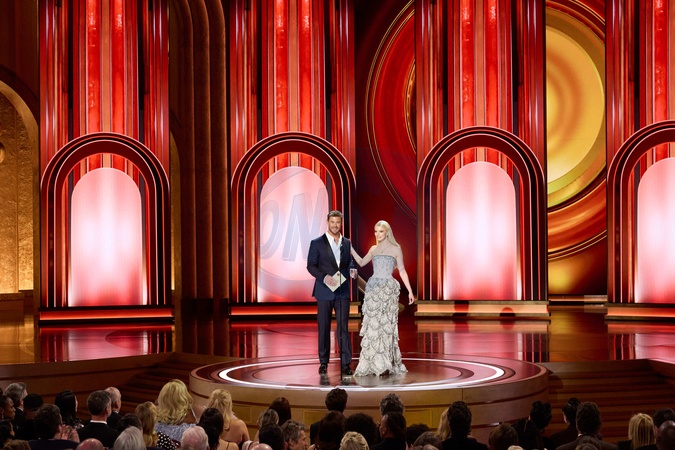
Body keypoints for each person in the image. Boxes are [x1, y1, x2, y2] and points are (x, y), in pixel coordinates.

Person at [350, 220, 415, 377]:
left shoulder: (396, 248)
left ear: (387, 232)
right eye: (375, 231)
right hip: (373, 289)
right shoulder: (374, 249)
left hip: (388, 290)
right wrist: (350, 248)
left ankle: (386, 362)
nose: (377, 234)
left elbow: (402, 271)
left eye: (380, 231)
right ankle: (372, 362)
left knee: (386, 326)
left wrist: (410, 291)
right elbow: (361, 262)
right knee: (373, 326)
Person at [307, 210, 355, 376]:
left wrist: (352, 269)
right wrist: (325, 277)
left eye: (338, 222)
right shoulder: (317, 243)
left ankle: (346, 363)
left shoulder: (346, 242)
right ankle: (323, 362)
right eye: (333, 222)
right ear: (327, 222)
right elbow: (311, 266)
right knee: (324, 328)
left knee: (343, 328)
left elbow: (349, 262)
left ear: (341, 223)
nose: (335, 225)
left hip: (342, 292)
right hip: (324, 291)